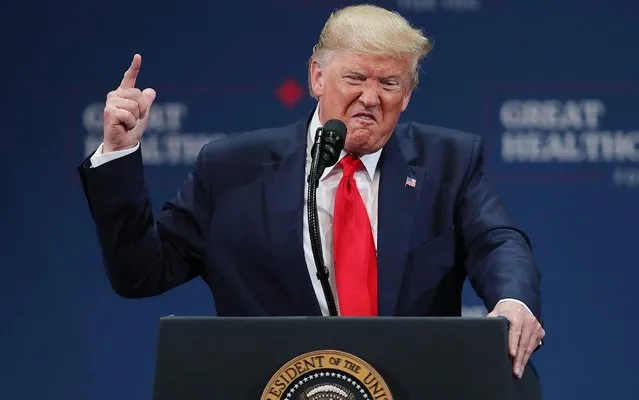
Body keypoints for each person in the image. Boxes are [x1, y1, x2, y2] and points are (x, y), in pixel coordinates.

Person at [78, 4, 544, 379]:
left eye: (389, 83)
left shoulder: (449, 161)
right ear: (317, 78)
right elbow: (141, 274)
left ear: (407, 95)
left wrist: (512, 301)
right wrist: (119, 154)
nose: (371, 96)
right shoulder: (231, 170)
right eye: (356, 77)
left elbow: (497, 240)